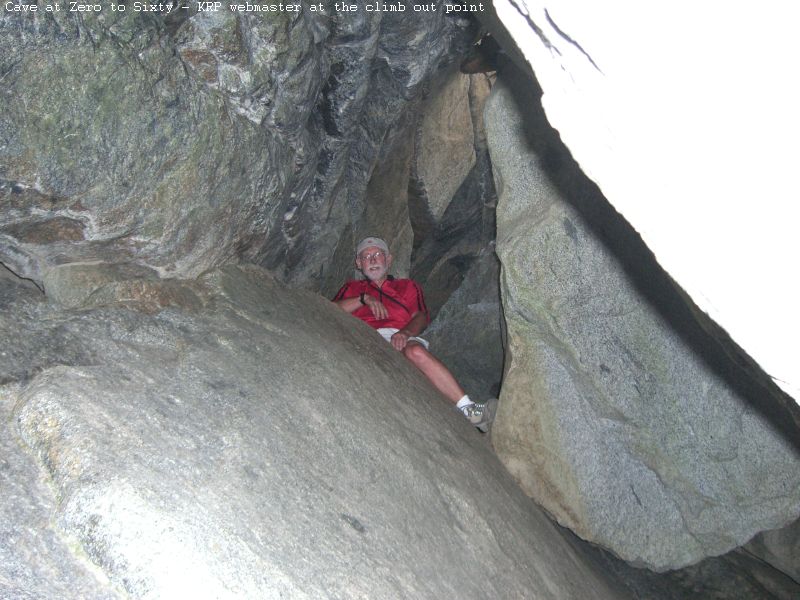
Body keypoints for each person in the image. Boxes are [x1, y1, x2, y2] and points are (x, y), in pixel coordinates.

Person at [333, 236, 498, 432]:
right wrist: (364, 299)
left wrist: (405, 333)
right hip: (365, 335)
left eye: (378, 254)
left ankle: (470, 411)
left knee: (416, 352)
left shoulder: (407, 286)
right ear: (358, 264)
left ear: (388, 259)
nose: (373, 260)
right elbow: (330, 309)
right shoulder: (352, 289)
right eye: (366, 257)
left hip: (400, 336)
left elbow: (420, 316)